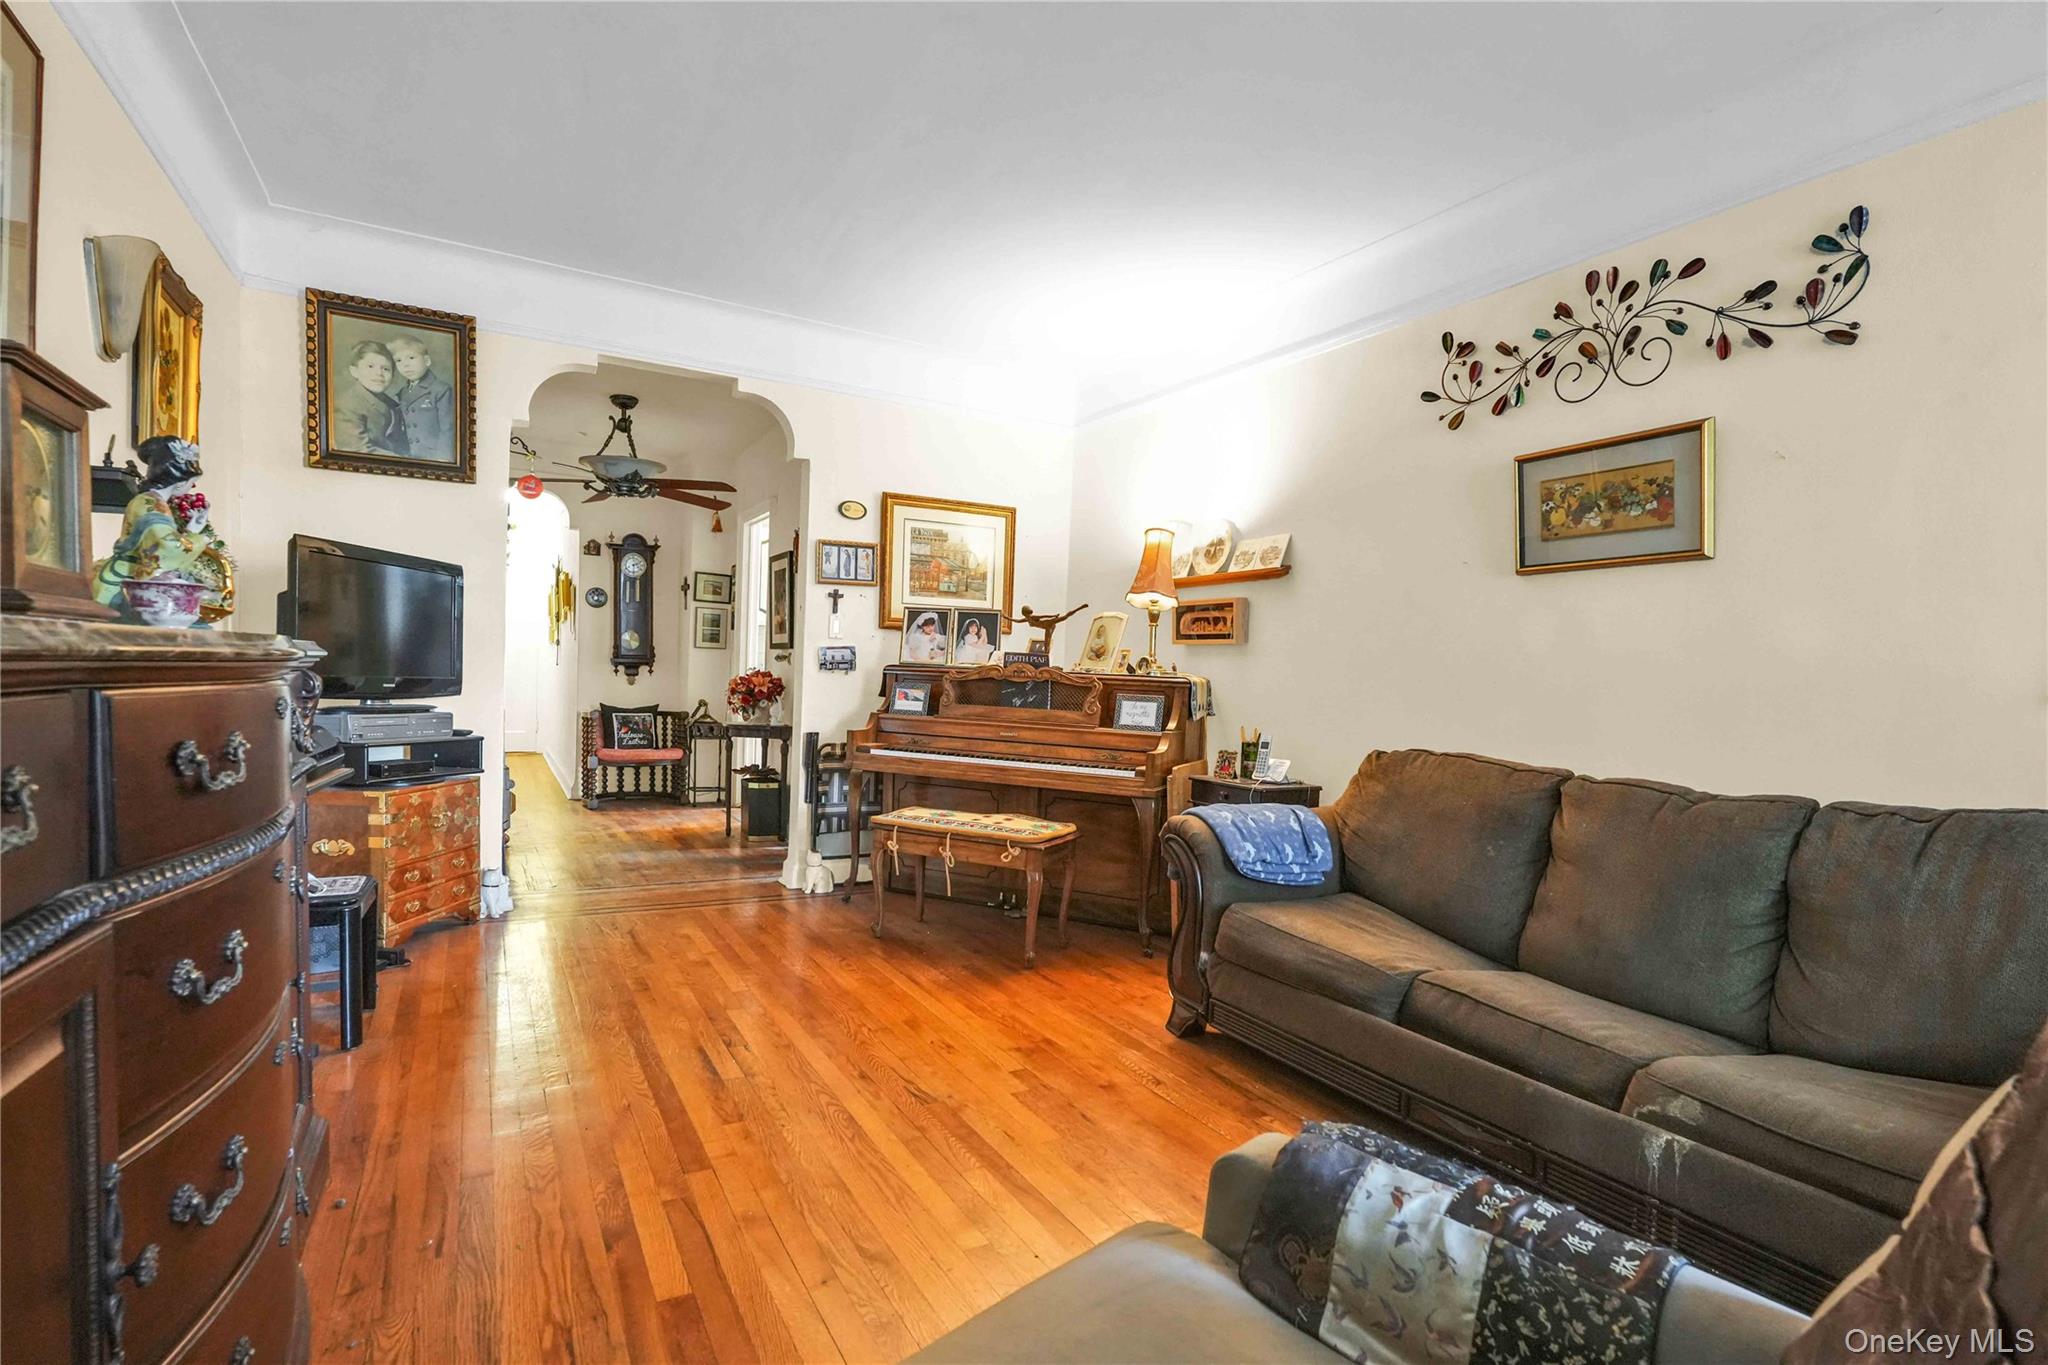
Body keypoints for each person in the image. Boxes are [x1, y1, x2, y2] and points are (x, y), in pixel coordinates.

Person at [332, 340, 409, 456]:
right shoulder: (346, 405)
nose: (379, 373)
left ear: (393, 375)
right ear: (354, 371)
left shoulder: (392, 404)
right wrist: (405, 462)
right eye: (370, 366)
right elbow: (357, 451)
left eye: (386, 369)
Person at [388, 332, 455, 461]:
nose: (405, 364)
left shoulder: (440, 389)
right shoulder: (402, 393)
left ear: (427, 361)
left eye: (411, 358)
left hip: (434, 457)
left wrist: (444, 461)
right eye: (399, 360)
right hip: (409, 457)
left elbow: (448, 430)